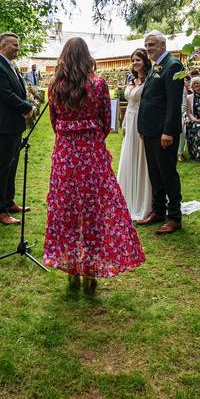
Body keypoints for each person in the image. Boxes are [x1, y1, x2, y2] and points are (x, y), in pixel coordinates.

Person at [43, 37, 145, 294]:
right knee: (93, 212)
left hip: (65, 155)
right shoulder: (99, 85)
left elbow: (55, 123)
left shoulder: (55, 86)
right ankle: (90, 271)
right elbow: (104, 121)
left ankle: (71, 270)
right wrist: (91, 139)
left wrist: (69, 137)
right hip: (91, 155)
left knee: (66, 210)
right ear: (87, 56)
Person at [136, 31, 185, 234]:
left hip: (163, 133)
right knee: (154, 173)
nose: (148, 49)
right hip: (149, 130)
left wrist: (168, 132)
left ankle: (174, 216)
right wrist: (142, 128)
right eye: (147, 45)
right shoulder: (155, 66)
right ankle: (158, 210)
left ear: (163, 45)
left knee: (167, 173)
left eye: (152, 45)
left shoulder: (174, 66)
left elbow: (173, 103)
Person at [0, 33, 34, 225]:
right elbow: (6, 95)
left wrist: (26, 102)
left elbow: (18, 91)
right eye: (15, 45)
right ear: (3, 45)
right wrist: (27, 107)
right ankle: (0, 210)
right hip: (4, 126)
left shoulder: (10, 65)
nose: (17, 48)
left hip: (14, 125)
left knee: (12, 166)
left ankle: (9, 201)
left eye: (18, 44)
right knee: (2, 168)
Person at [116, 49, 153, 221]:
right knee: (129, 157)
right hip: (129, 122)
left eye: (138, 60)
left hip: (141, 120)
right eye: (133, 60)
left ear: (145, 61)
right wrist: (123, 123)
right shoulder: (132, 80)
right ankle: (125, 197)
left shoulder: (150, 80)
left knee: (141, 158)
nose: (135, 63)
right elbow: (129, 103)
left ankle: (142, 200)